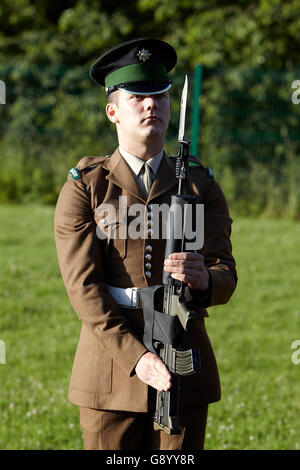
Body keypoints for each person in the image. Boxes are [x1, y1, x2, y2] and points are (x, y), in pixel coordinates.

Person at [54, 37, 237, 450]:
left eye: (160, 96)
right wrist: (137, 358)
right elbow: (84, 289)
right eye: (137, 97)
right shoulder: (87, 188)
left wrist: (205, 279)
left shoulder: (199, 184)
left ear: (171, 106)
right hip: (109, 367)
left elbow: (226, 272)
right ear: (112, 111)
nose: (151, 105)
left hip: (182, 356)